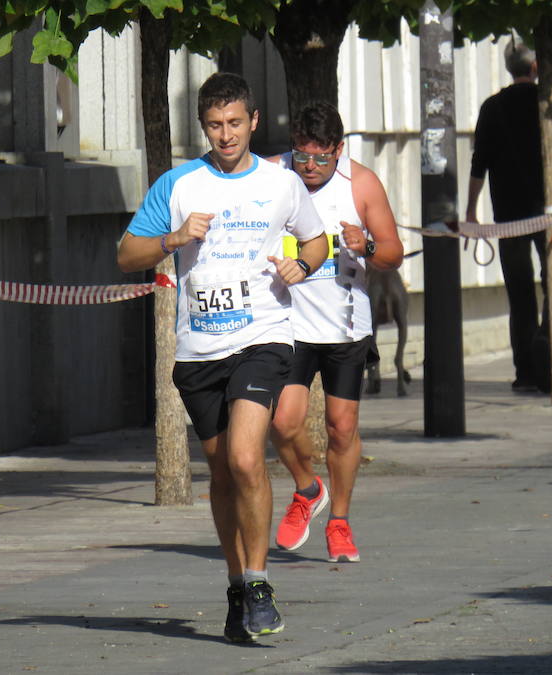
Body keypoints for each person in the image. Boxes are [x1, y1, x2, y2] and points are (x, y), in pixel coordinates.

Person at [117, 73, 328, 642]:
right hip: (199, 349)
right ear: (204, 128)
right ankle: (237, 587)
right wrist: (173, 237)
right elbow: (125, 254)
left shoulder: (281, 183)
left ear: (253, 121)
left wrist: (301, 267)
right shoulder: (179, 184)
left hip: (263, 337)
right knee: (221, 476)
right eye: (215, 126)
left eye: (235, 123)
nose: (226, 135)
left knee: (243, 458)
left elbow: (316, 239)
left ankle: (259, 582)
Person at [268, 102, 403, 563]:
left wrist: (365, 246)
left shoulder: (360, 183)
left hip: (345, 325)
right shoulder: (273, 175)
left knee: (341, 430)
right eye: (302, 156)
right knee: (283, 423)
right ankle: (308, 489)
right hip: (288, 323)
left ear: (338, 151)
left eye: (321, 158)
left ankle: (340, 521)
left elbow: (393, 253)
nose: (309, 168)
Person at [466, 40, 552, 394]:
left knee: (519, 294)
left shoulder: (492, 107)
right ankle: (547, 351)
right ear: (536, 67)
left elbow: (479, 164)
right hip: (551, 213)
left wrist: (472, 210)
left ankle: (524, 370)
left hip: (508, 216)